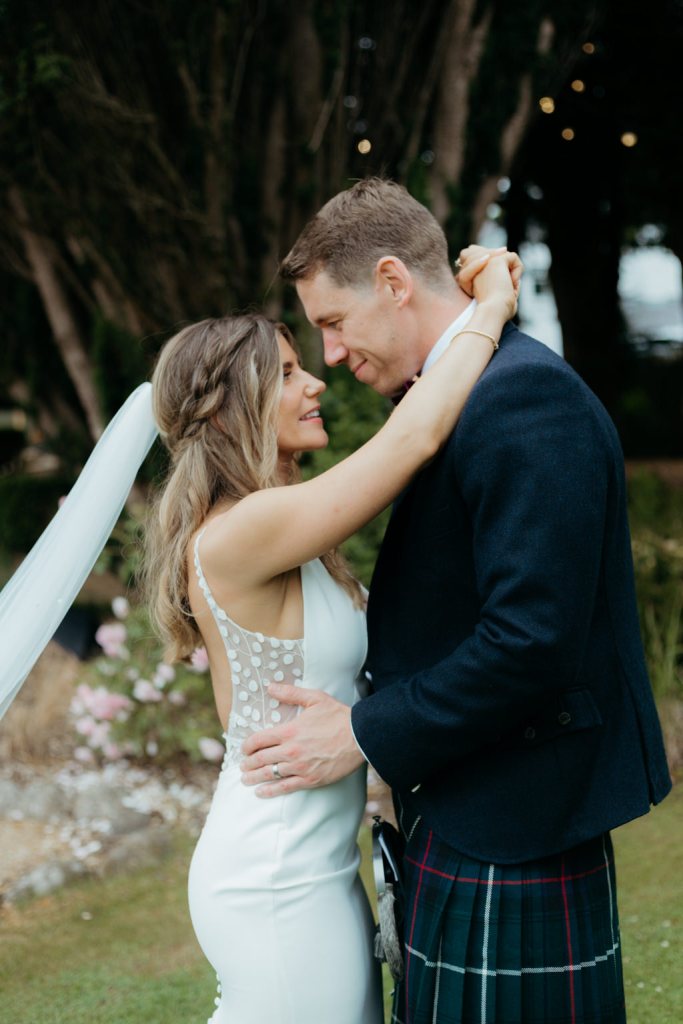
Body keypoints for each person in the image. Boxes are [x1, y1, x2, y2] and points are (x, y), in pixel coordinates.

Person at [241, 178, 672, 1024]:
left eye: (332, 323)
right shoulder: (465, 393)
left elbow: (530, 639)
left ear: (395, 282)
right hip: (474, 802)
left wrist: (365, 732)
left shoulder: (521, 397)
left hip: (516, 816)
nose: (330, 355)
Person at [143, 250, 517, 1024]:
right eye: (284, 373)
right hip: (273, 875)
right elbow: (410, 442)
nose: (315, 379)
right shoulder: (241, 530)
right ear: (223, 409)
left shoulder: (287, 529)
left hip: (318, 867)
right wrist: (490, 310)